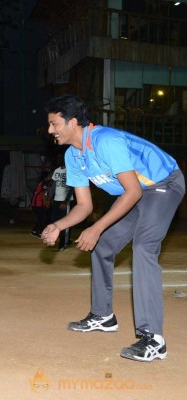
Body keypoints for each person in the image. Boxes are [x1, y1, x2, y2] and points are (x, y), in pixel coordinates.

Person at [42, 95, 185, 362]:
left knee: (144, 247)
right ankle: (103, 315)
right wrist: (57, 225)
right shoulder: (73, 155)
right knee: (103, 246)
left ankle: (153, 339)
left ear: (72, 122)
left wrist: (96, 227)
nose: (50, 130)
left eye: (54, 124)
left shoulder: (105, 141)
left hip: (162, 183)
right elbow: (84, 206)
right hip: (137, 193)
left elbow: (132, 192)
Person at [50, 155, 74, 251]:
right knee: (55, 221)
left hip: (66, 200)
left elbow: (72, 187)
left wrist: (66, 200)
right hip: (56, 199)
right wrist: (49, 197)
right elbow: (53, 185)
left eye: (62, 158)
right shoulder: (57, 170)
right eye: (58, 158)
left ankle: (64, 243)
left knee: (66, 222)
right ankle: (59, 239)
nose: (60, 160)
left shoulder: (70, 170)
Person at [30, 171, 52, 239]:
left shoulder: (43, 184)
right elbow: (43, 194)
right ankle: (36, 231)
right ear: (45, 177)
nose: (50, 177)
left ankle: (36, 231)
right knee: (42, 218)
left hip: (38, 204)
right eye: (49, 176)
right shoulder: (43, 184)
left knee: (41, 218)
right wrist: (46, 202)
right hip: (38, 204)